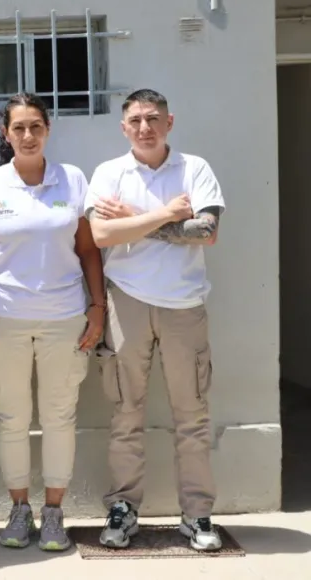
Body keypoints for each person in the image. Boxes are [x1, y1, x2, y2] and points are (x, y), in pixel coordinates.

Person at [0, 93, 106, 552]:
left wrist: (98, 306)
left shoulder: (73, 179)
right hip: (1, 318)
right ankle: (20, 509)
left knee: (60, 416)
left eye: (35, 127)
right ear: (6, 134)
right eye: (19, 128)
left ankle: (55, 513)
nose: (27, 135)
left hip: (65, 318)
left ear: (48, 130)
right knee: (12, 418)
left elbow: (87, 249)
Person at [85, 88, 225, 552]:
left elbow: (205, 232)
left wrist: (136, 219)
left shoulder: (194, 168)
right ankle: (123, 508)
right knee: (126, 413)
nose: (145, 127)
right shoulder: (109, 173)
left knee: (193, 414)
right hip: (126, 302)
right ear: (123, 127)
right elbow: (102, 232)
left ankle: (198, 514)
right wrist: (166, 216)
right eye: (136, 120)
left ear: (169, 121)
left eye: (153, 118)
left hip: (185, 306)